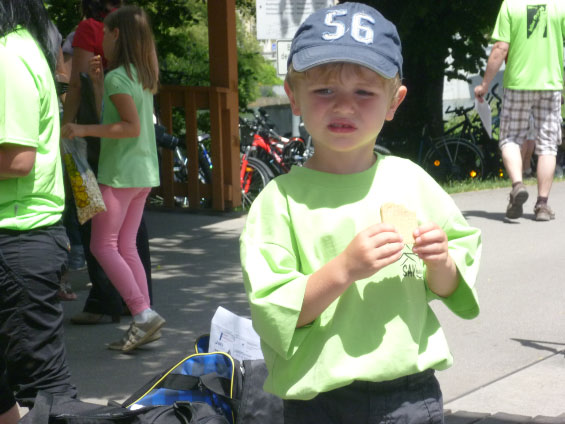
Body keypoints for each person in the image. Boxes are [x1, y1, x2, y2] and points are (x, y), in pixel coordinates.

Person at [239, 3, 481, 423]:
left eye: (364, 92)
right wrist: (345, 269)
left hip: (409, 395)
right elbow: (276, 311)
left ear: (394, 101)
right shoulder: (279, 202)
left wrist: (441, 261)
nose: (344, 106)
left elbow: (449, 285)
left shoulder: (411, 182)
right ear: (294, 96)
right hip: (319, 400)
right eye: (324, 91)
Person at [61, 5, 164, 353]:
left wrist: (82, 129)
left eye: (105, 32)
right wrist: (99, 84)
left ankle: (142, 314)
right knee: (126, 246)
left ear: (117, 34)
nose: (101, 38)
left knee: (101, 246)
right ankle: (145, 319)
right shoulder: (140, 75)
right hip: (142, 174)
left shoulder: (120, 76)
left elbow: (128, 126)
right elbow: (120, 116)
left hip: (120, 174)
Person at [0, 0, 78, 421]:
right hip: (21, 238)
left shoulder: (7, 55)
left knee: (47, 396)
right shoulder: (20, 47)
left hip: (17, 240)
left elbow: (17, 159)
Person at [474, 0, 565, 221]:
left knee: (510, 139)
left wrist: (484, 85)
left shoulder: (510, 5)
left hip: (517, 84)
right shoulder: (559, 5)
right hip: (550, 83)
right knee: (548, 146)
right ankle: (542, 205)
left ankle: (517, 185)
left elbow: (500, 48)